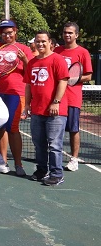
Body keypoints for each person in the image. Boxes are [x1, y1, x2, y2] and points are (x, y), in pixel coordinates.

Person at [0, 19, 33, 177]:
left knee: (12, 128)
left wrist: (25, 60)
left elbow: (31, 72)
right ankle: (2, 162)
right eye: (4, 32)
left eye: (10, 32)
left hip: (16, 93)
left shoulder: (24, 49)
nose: (7, 35)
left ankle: (18, 164)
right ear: (0, 34)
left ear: (15, 31)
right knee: (0, 127)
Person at [22, 31, 69, 186]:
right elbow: (28, 86)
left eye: (43, 41)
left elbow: (63, 81)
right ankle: (42, 170)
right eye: (38, 41)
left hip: (55, 112)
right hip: (37, 110)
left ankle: (57, 174)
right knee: (39, 143)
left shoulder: (57, 60)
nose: (40, 44)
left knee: (54, 145)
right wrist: (27, 105)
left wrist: (56, 102)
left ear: (50, 42)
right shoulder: (32, 63)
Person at [54, 22, 93, 171]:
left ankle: (74, 159)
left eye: (70, 33)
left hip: (72, 98)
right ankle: (53, 157)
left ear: (76, 35)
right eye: (65, 32)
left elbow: (88, 75)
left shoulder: (83, 52)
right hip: (57, 98)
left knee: (73, 129)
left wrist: (72, 79)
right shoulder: (57, 51)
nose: (67, 35)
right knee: (54, 129)